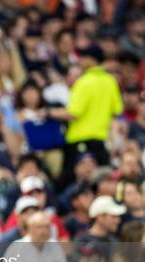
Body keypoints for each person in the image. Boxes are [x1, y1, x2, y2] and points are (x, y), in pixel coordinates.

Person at [49, 45, 123, 181]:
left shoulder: (83, 82)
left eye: (83, 57)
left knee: (69, 181)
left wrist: (49, 112)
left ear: (92, 60)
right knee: (102, 181)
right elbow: (116, 111)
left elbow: (73, 113)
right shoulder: (111, 81)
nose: (80, 60)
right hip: (100, 140)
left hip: (79, 140)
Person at [3, 211, 70, 262]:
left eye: (47, 227)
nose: (43, 231)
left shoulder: (55, 246)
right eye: (39, 227)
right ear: (30, 229)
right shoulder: (17, 247)